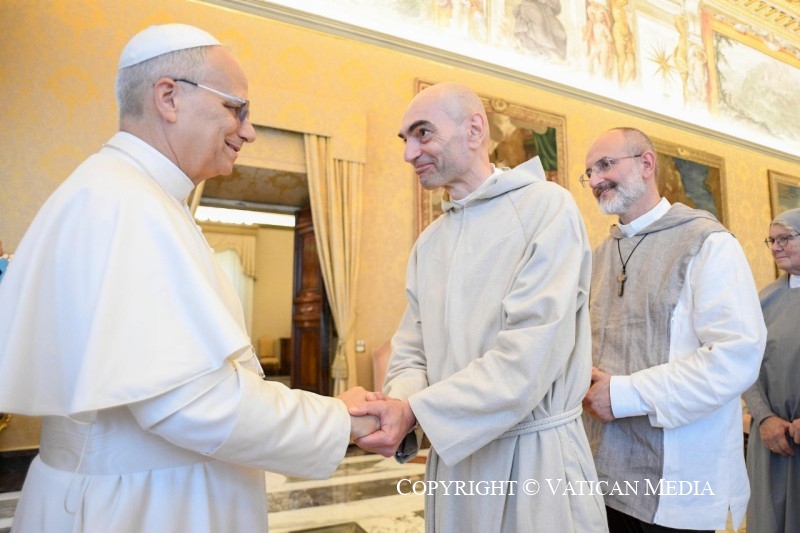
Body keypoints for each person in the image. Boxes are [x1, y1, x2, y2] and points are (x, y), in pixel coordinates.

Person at [0, 23, 378, 532]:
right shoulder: (128, 204)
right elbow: (192, 404)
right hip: (140, 509)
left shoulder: (131, 194)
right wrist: (338, 419)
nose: (247, 130)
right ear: (169, 97)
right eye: (235, 108)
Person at [352, 82, 607, 532]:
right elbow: (412, 351)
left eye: (423, 133)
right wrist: (397, 402)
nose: (409, 153)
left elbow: (527, 359)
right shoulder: (429, 243)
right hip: (455, 463)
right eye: (405, 139)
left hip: (534, 463)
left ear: (474, 130)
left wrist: (415, 411)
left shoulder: (547, 208)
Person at [581, 127, 766, 533]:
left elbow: (735, 357)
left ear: (646, 164)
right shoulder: (595, 258)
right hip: (601, 476)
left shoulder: (707, 243)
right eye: (589, 172)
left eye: (606, 164)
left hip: (677, 484)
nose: (595, 180)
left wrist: (625, 393)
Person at [742, 207, 800, 533]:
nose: (776, 247)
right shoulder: (762, 300)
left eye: (785, 239)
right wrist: (764, 419)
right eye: (771, 240)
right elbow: (744, 366)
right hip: (773, 442)